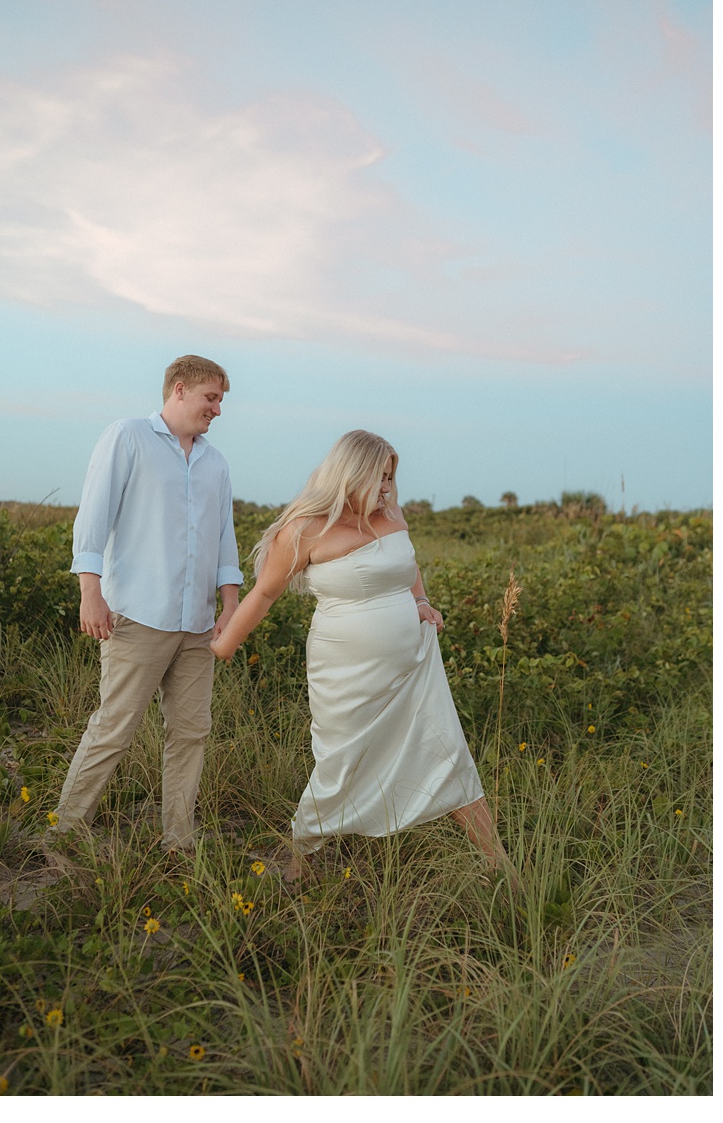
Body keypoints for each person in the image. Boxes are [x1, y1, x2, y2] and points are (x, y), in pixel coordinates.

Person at [210, 429, 516, 885]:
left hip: (412, 665)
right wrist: (223, 645)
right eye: (380, 478)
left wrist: (420, 601)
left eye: (391, 478)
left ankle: (503, 867)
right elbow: (264, 593)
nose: (388, 489)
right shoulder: (304, 529)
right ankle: (302, 861)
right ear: (349, 476)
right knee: (342, 762)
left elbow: (408, 564)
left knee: (446, 750)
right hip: (344, 670)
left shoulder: (391, 512)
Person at [50, 354, 243, 853]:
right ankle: (64, 830)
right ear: (179, 390)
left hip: (199, 624)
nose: (217, 410)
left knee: (191, 733)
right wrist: (90, 591)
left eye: (221, 400)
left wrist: (230, 605)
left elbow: (225, 538)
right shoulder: (127, 436)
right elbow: (93, 516)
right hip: (137, 615)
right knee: (114, 727)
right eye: (211, 397)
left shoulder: (215, 462)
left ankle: (179, 839)